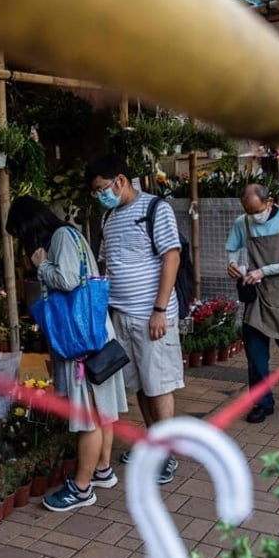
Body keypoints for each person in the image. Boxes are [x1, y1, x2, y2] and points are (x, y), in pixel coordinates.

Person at [6, 197, 129, 512]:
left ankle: (82, 488)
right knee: (101, 410)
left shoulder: (60, 237)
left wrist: (42, 266)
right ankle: (102, 470)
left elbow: (68, 279)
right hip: (95, 334)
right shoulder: (71, 234)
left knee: (88, 418)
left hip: (80, 342)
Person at [85, 155, 184, 483]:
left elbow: (171, 257)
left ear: (120, 180)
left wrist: (159, 310)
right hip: (122, 316)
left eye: (102, 188)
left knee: (159, 385)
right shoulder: (109, 217)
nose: (100, 196)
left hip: (152, 315)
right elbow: (107, 264)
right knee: (140, 384)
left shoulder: (155, 208)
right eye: (95, 192)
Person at [226, 184, 279, 424]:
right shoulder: (243, 222)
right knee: (256, 355)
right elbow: (232, 248)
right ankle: (262, 403)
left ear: (269, 202)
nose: (253, 217)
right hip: (255, 295)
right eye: (248, 212)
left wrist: (264, 270)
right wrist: (232, 264)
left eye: (256, 211)